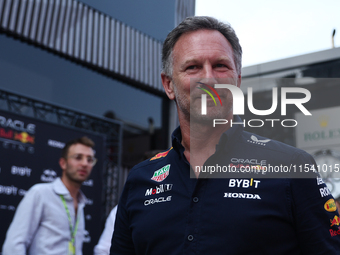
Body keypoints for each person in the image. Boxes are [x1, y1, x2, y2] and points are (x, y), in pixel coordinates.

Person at [110, 16, 340, 254]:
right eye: (193, 67)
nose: (209, 78)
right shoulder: (140, 179)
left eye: (220, 66)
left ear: (237, 80)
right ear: (168, 84)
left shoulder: (293, 167)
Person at [2, 136, 96, 255]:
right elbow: (13, 245)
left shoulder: (81, 202)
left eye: (90, 159)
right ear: (63, 163)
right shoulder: (40, 193)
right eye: (78, 157)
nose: (84, 163)